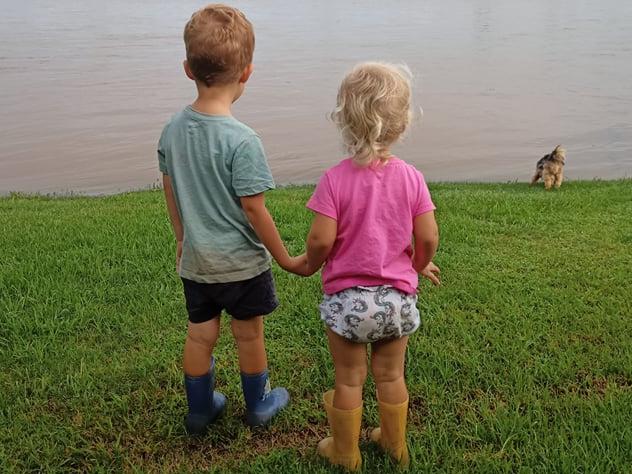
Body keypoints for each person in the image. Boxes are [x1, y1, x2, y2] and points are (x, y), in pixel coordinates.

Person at [157, 4, 306, 435]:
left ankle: (200, 410)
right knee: (248, 335)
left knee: (200, 335)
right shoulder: (242, 140)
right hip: (241, 264)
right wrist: (284, 258)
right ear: (247, 72)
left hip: (197, 261)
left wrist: (182, 238)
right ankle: (259, 404)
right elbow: (254, 208)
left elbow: (170, 190)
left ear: (187, 68)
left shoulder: (171, 130)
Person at [302, 62, 441, 470]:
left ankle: (345, 452)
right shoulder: (412, 178)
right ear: (403, 122)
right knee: (390, 375)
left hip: (347, 304)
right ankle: (394, 445)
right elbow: (429, 237)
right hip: (397, 301)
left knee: (349, 379)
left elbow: (320, 241)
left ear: (344, 120)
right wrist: (418, 264)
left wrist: (308, 263)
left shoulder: (334, 179)